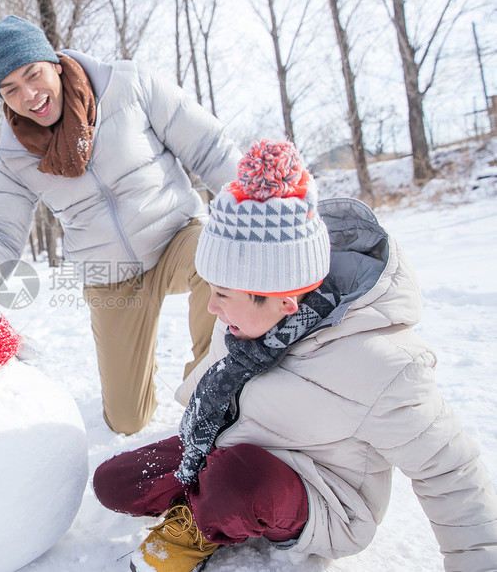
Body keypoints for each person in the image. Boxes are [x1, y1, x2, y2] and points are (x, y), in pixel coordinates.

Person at [93, 140, 497, 572]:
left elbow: (450, 473)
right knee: (116, 482)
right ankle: (210, 495)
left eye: (222, 294)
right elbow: (214, 393)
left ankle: (203, 523)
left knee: (238, 481)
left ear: (284, 302)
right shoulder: (243, 319)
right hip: (231, 451)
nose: (210, 306)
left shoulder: (382, 365)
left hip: (316, 495)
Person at [0, 15, 242, 435]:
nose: (29, 95)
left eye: (33, 75)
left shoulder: (129, 84)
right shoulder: (13, 156)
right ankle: (139, 364)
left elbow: (209, 148)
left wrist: (255, 205)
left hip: (175, 236)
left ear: (55, 65)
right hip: (109, 271)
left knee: (217, 249)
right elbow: (1, 230)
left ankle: (208, 389)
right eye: (10, 89)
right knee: (126, 420)